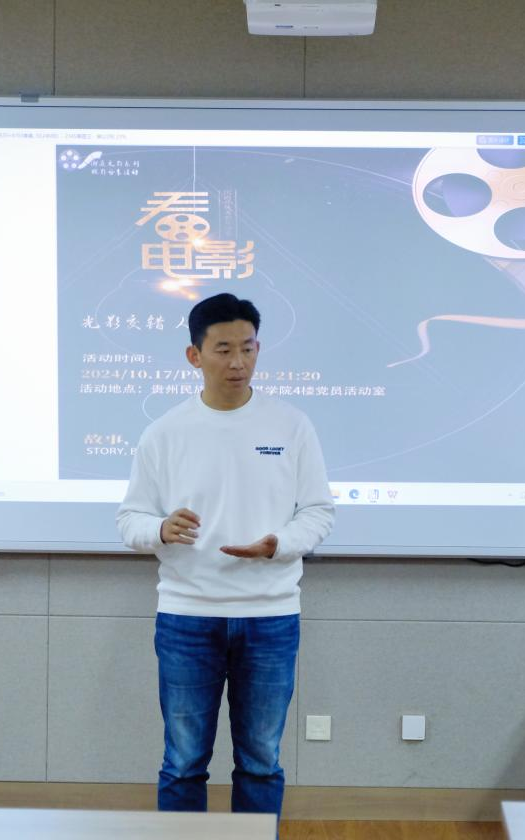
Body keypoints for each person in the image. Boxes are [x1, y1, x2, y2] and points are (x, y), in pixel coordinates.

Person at [117, 292, 335, 820]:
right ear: (194, 355)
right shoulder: (165, 432)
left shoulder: (291, 425)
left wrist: (278, 544)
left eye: (248, 348)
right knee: (183, 762)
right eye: (223, 350)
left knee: (260, 762)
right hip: (187, 616)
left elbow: (318, 512)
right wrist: (161, 529)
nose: (238, 362)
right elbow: (130, 520)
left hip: (270, 615)